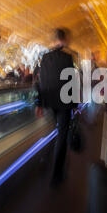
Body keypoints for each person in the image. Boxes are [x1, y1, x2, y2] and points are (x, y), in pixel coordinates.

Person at [35, 28, 76, 185]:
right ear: (64, 40)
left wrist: (39, 103)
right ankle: (57, 174)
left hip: (49, 102)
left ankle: (44, 161)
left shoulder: (45, 58)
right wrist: (74, 104)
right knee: (62, 135)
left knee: (51, 132)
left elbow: (41, 81)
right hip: (64, 103)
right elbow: (71, 81)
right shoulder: (67, 58)